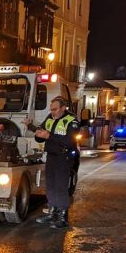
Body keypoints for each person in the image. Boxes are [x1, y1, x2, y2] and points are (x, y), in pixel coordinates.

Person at [22, 96, 80, 229]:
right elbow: (41, 134)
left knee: (60, 186)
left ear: (63, 108)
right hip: (52, 157)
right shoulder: (50, 117)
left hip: (64, 157)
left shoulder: (71, 120)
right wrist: (32, 127)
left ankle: (63, 217)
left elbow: (70, 141)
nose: (52, 112)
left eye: (55, 109)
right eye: (51, 109)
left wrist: (49, 136)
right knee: (51, 186)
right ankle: (52, 213)